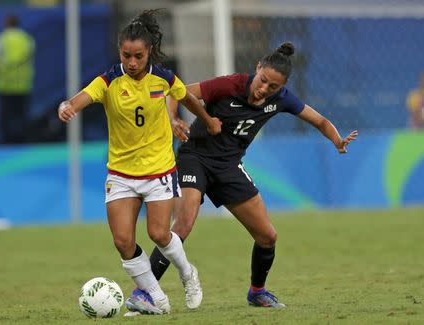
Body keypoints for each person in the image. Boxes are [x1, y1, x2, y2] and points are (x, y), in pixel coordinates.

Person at [144, 42, 358, 308]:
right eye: (263, 80)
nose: (264, 89)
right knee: (184, 224)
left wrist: (337, 140)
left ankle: (257, 292)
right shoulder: (229, 84)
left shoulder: (283, 100)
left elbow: (321, 122)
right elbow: (176, 93)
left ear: (282, 87)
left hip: (229, 167)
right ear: (257, 68)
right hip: (195, 157)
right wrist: (173, 119)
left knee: (268, 236)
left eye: (273, 87)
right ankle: (145, 293)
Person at [58, 9, 222, 316]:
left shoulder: (163, 79)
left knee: (159, 234)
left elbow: (185, 97)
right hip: (121, 173)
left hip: (159, 169)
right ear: (119, 52)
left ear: (148, 53)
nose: (132, 63)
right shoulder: (108, 81)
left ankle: (188, 273)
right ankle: (156, 296)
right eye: (126, 56)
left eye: (138, 56)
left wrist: (208, 119)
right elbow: (82, 96)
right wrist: (68, 106)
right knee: (122, 241)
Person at [0, 13, 35, 144]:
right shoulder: (27, 39)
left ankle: (6, 142)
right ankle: (23, 140)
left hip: (4, 85)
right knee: (22, 115)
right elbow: (29, 58)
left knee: (5, 117)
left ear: (5, 24)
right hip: (23, 84)